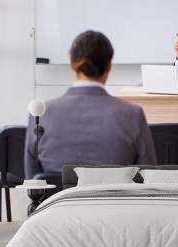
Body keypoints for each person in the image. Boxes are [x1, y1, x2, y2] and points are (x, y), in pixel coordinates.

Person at [25, 30, 157, 179]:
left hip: (59, 203)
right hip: (113, 203)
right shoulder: (133, 115)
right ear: (108, 67)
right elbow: (148, 180)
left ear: (72, 63)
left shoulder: (41, 116)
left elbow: (32, 184)